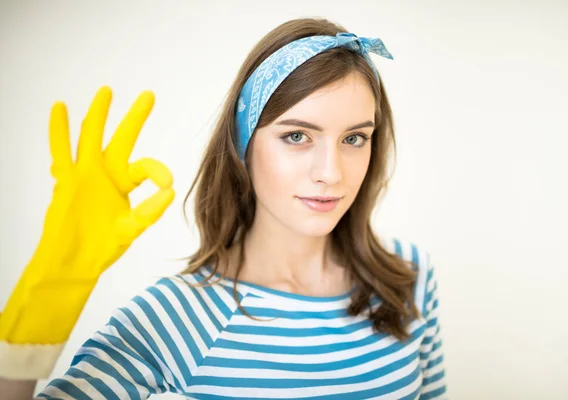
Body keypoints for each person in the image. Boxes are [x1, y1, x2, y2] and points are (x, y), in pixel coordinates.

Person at [0, 17, 448, 399]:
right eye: (297, 136)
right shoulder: (179, 315)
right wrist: (50, 289)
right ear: (243, 142)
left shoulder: (408, 277)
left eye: (354, 138)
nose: (331, 172)